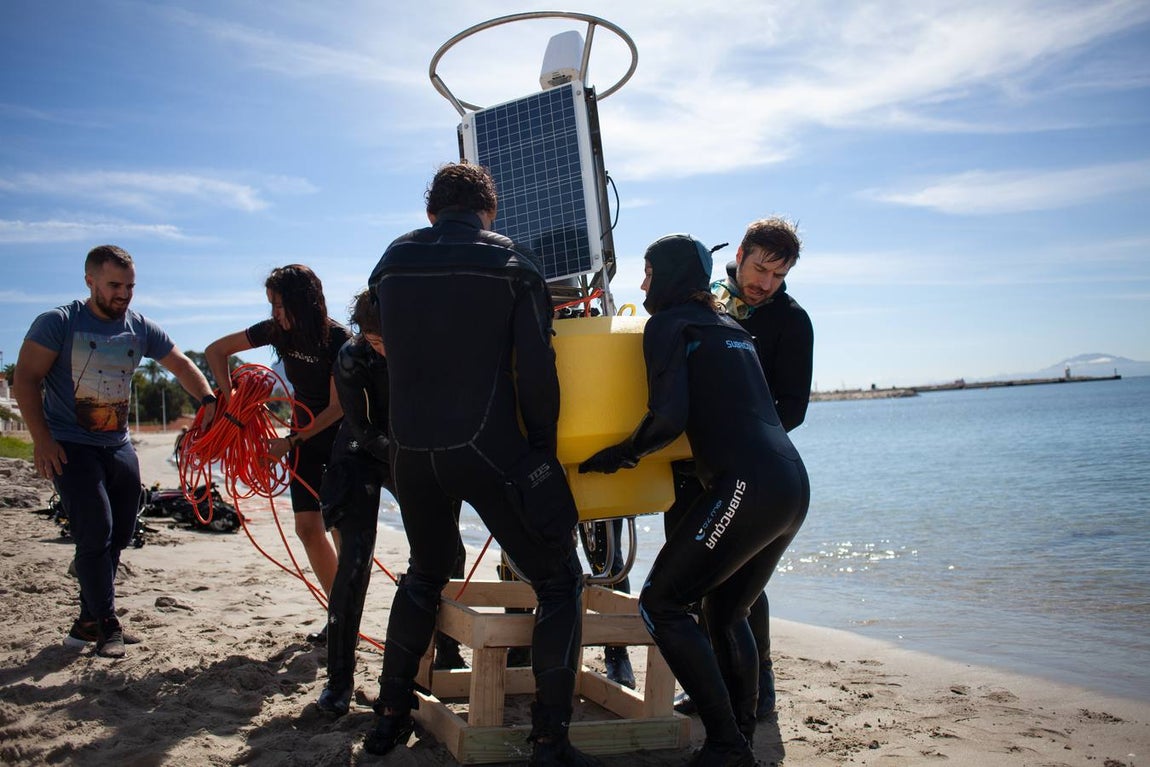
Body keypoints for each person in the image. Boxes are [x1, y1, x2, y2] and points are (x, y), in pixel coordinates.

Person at [365, 162, 598, 767]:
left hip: (412, 451)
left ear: (431, 212)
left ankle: (387, 717)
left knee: (425, 571)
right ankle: (549, 738)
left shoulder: (390, 262)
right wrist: (541, 453)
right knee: (558, 579)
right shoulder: (512, 261)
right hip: (486, 446)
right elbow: (537, 371)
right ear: (489, 210)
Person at [579, 234, 810, 766]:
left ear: (672, 276)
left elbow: (667, 419)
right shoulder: (729, 326)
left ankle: (729, 742)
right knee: (728, 610)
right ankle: (739, 743)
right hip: (791, 486)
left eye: (648, 273)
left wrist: (616, 456)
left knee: (662, 603)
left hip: (746, 488)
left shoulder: (669, 324)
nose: (642, 284)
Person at [13, 245, 217, 658]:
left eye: (130, 286)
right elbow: (25, 380)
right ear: (89, 281)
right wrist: (42, 440)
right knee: (95, 531)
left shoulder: (139, 327)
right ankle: (108, 626)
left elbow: (179, 364)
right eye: (114, 285)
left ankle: (87, 620)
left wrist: (208, 399)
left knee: (123, 532)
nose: (123, 294)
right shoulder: (59, 322)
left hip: (118, 444)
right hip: (71, 444)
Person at [671, 217, 813, 720]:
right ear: (742, 253)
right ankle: (711, 685)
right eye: (759, 269)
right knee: (690, 585)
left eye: (778, 276)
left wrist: (742, 442)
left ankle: (761, 693)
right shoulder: (700, 300)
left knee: (742, 588)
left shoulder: (792, 321)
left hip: (746, 473)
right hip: (687, 470)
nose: (765, 284)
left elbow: (793, 407)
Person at [314, 289, 466, 716]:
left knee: (450, 550)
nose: (385, 348)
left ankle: (449, 650)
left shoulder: (429, 348)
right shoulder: (350, 358)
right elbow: (363, 431)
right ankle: (339, 680)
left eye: (391, 339)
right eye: (376, 341)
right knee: (356, 560)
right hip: (362, 453)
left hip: (415, 449)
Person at [205, 264, 348, 642]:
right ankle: (337, 613)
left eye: (280, 305)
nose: (274, 314)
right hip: (302, 439)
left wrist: (289, 442)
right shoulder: (275, 332)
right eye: (271, 305)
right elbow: (215, 351)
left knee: (340, 530)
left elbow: (337, 409)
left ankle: (346, 617)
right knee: (306, 528)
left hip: (339, 441)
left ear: (304, 303)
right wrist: (233, 402)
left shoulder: (338, 340)